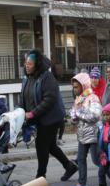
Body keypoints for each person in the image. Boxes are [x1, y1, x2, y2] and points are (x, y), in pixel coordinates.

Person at [20, 49, 77, 179]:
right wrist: (21, 111)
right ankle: (69, 166)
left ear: (37, 64)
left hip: (51, 118)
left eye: (29, 63)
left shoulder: (47, 77)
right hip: (39, 118)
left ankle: (40, 176)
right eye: (26, 63)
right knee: (50, 146)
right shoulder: (27, 78)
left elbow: (49, 99)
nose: (26, 66)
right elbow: (23, 97)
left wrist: (32, 113)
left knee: (41, 145)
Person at [69, 72, 110, 186]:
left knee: (97, 160)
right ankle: (82, 184)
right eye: (73, 87)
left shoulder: (93, 98)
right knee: (81, 159)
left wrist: (79, 112)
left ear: (84, 85)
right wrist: (74, 116)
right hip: (82, 135)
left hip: (94, 134)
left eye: (76, 87)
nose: (74, 89)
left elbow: (96, 116)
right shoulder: (79, 99)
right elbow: (73, 115)